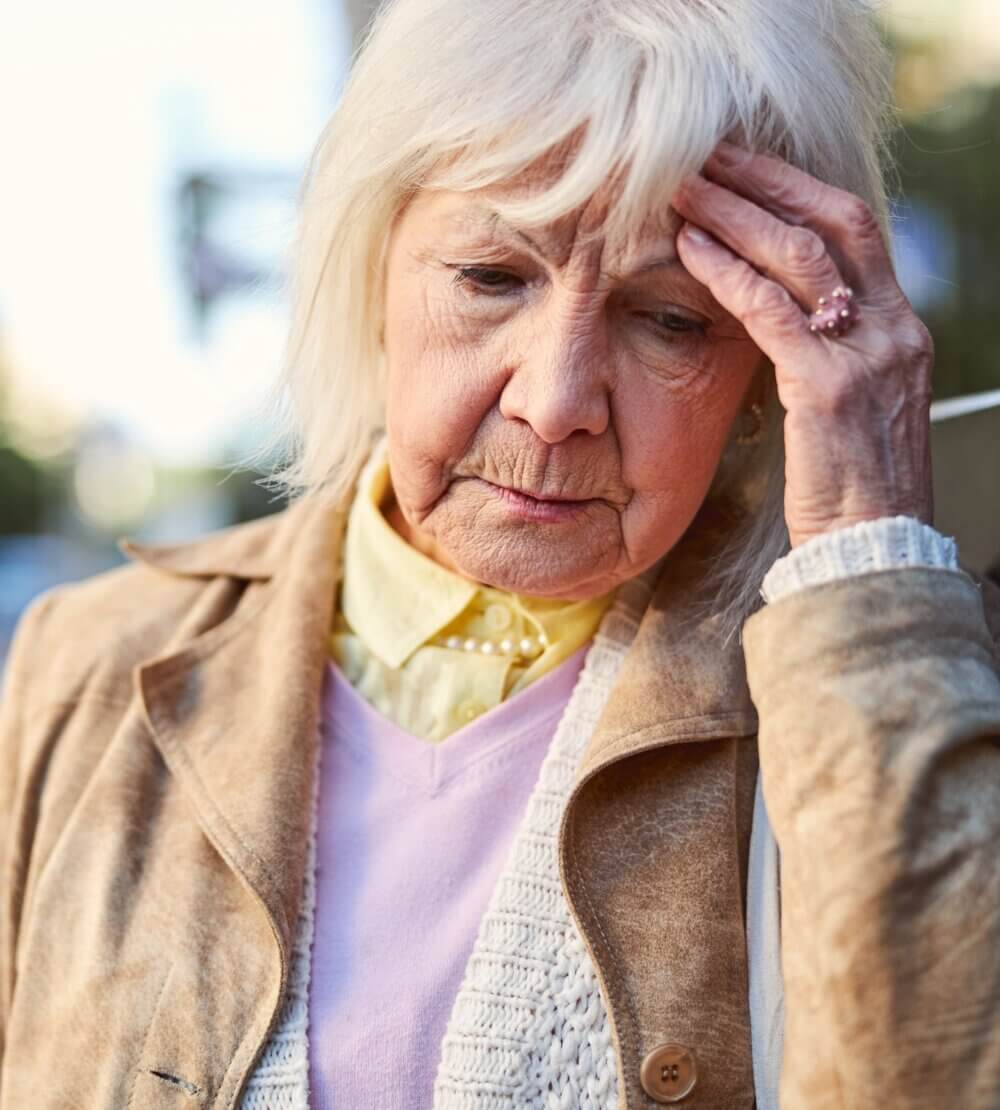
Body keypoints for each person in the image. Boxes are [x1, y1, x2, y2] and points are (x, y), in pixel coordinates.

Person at [2, 0, 999, 1106]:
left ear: (773, 362)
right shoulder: (82, 662)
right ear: (367, 267)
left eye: (669, 320)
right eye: (490, 277)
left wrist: (870, 553)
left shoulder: (902, 681)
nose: (556, 400)